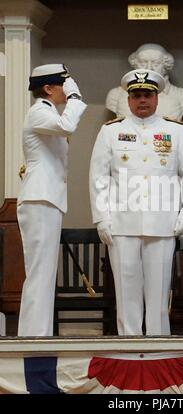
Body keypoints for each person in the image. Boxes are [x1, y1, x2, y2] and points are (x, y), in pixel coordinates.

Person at [90, 68, 183, 335]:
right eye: (136, 95)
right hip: (122, 223)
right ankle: (129, 343)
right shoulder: (111, 131)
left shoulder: (175, 130)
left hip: (163, 223)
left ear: (156, 98)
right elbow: (98, 177)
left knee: (159, 292)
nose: (142, 100)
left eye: (147, 95)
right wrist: (101, 217)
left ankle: (158, 344)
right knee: (126, 292)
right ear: (128, 100)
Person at [17, 64, 87, 336]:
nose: (67, 89)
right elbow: (67, 126)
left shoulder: (46, 112)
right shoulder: (39, 112)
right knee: (40, 272)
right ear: (49, 88)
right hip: (39, 198)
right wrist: (76, 99)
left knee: (45, 273)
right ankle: (33, 337)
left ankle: (38, 335)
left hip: (46, 199)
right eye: (63, 85)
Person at [105, 43, 183, 120]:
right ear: (135, 64)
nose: (149, 68)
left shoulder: (182, 96)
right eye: (143, 63)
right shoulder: (115, 95)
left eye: (156, 63)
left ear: (165, 65)